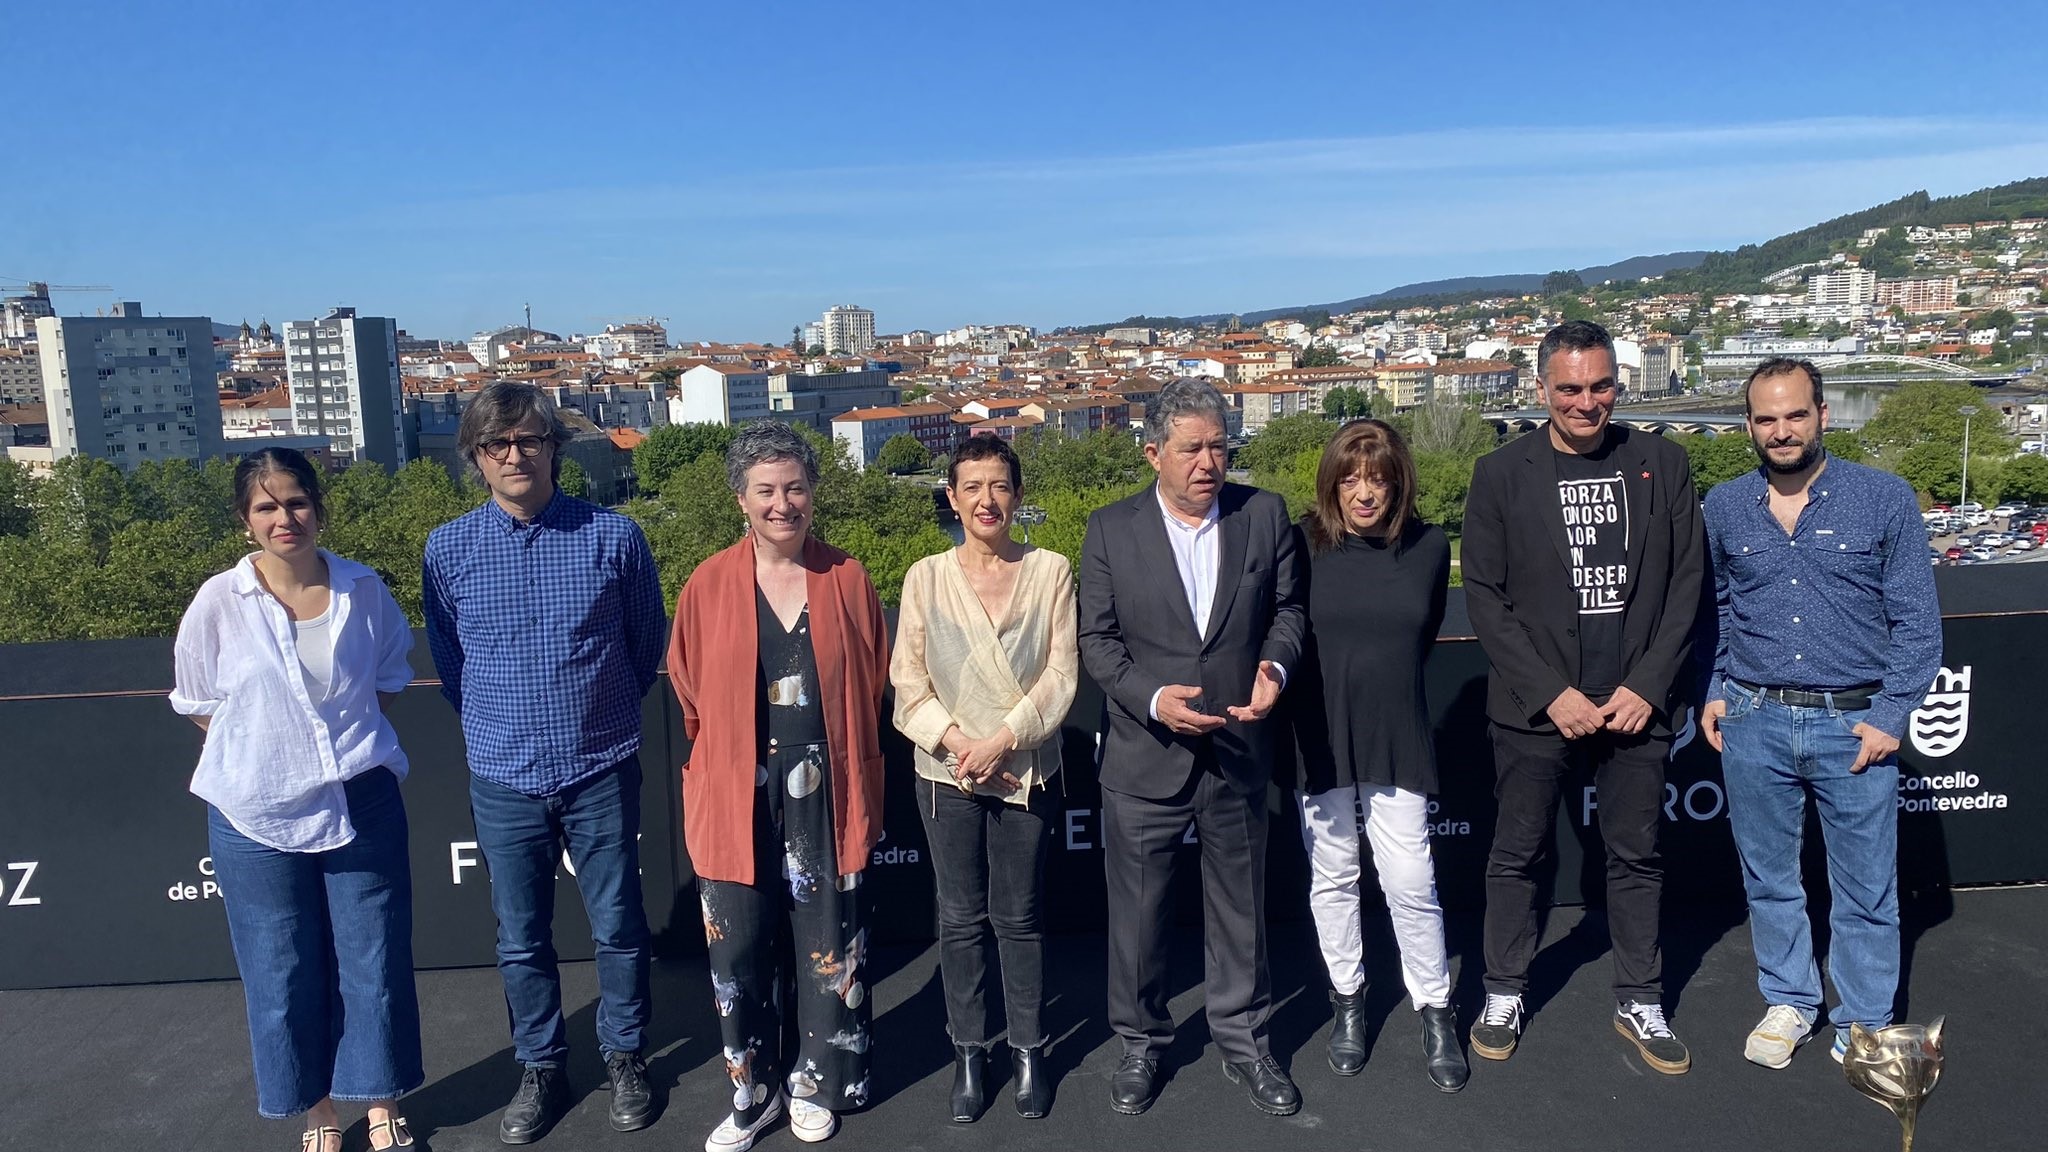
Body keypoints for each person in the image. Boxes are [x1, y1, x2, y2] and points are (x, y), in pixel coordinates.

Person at [422, 382, 667, 1144]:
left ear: (554, 448)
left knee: (620, 926)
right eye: (498, 444)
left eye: (530, 439)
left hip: (598, 765)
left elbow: (645, 644)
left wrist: (596, 718)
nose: (515, 454)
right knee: (520, 938)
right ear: (477, 458)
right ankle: (542, 1067)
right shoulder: (447, 549)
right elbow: (451, 664)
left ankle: (626, 1056)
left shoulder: (613, 537)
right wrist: (507, 728)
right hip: (503, 776)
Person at [1461, 320, 1705, 1075]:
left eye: (1600, 386)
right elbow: (1484, 595)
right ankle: (1504, 988)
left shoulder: (1662, 462)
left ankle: (1640, 996)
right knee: (1518, 853)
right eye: (1569, 388)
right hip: (1539, 709)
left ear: (1617, 385)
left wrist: (1648, 685)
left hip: (1636, 706)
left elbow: (1688, 584)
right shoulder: (1499, 473)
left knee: (1636, 854)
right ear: (1541, 390)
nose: (1586, 402)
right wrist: (1550, 693)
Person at [170, 447, 422, 1152]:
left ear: (318, 506)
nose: (286, 518)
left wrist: (328, 746)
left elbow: (390, 677)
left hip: (360, 798)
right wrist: (265, 747)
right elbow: (196, 700)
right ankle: (317, 1114)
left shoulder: (363, 590)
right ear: (246, 519)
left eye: (297, 502)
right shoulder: (218, 602)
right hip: (254, 812)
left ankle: (380, 1104)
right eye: (267, 506)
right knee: (281, 968)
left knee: (373, 961)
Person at [1700, 358, 1942, 1069]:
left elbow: (1918, 627)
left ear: (1823, 415)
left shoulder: (1884, 499)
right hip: (1754, 716)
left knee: (1866, 888)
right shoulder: (1723, 506)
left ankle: (1862, 1023)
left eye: (1795, 414)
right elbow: (1715, 611)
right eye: (1766, 418)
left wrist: (1891, 713)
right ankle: (1789, 1001)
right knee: (1770, 878)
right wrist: (1714, 688)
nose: (1781, 430)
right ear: (1749, 425)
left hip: (1854, 722)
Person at [1078, 377, 1308, 1117]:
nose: (1209, 460)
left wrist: (1275, 666)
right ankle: (1141, 1045)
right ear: (1154, 454)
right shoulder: (1110, 529)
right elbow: (1098, 641)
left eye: (1219, 444)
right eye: (1192, 448)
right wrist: (1152, 699)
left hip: (1239, 748)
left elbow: (1290, 611)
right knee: (1138, 919)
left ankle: (1246, 1042)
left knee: (1241, 910)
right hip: (1146, 753)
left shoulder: (1264, 514)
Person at [668, 422, 890, 1152]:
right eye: (766, 490)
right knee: (737, 945)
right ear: (741, 499)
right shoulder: (706, 583)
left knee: (828, 941)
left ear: (813, 494)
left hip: (826, 787)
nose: (782, 504)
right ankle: (753, 1090)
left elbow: (873, 678)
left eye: (795, 487)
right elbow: (690, 689)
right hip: (736, 785)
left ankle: (817, 1083)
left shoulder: (847, 577)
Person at [890, 433, 1078, 1122]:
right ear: (952, 497)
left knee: (1020, 918)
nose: (986, 499)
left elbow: (1062, 676)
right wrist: (960, 744)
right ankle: (971, 1051)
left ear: (1018, 494)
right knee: (961, 919)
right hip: (946, 776)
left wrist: (1003, 740)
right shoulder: (924, 578)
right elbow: (907, 681)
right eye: (972, 486)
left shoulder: (1052, 570)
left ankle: (1029, 1049)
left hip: (1025, 769)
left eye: (999, 485)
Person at [1282, 419, 1468, 1092]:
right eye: (1351, 478)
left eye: (1379, 478)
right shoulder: (1301, 545)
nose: (1365, 493)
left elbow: (1416, 642)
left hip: (1398, 731)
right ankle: (1349, 1003)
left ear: (1399, 484)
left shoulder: (1427, 547)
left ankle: (1435, 1008)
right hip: (1320, 732)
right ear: (1332, 483)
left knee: (1411, 882)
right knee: (1332, 880)